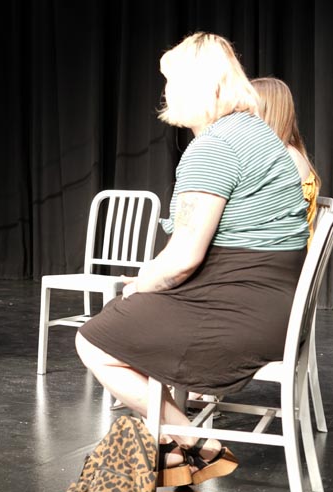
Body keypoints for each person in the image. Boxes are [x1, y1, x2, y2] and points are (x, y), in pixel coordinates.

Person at [75, 33, 308, 487]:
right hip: (270, 305)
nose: (165, 93)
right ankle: (177, 447)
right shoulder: (257, 132)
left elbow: (183, 258)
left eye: (171, 82)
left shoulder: (214, 147)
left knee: (94, 340)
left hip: (238, 314)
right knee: (129, 315)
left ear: (201, 85)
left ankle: (190, 443)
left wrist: (139, 283)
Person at [252, 77, 321, 244]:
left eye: (246, 110)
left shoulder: (286, 159)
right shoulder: (281, 154)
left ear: (266, 112)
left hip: (282, 259)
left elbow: (268, 224)